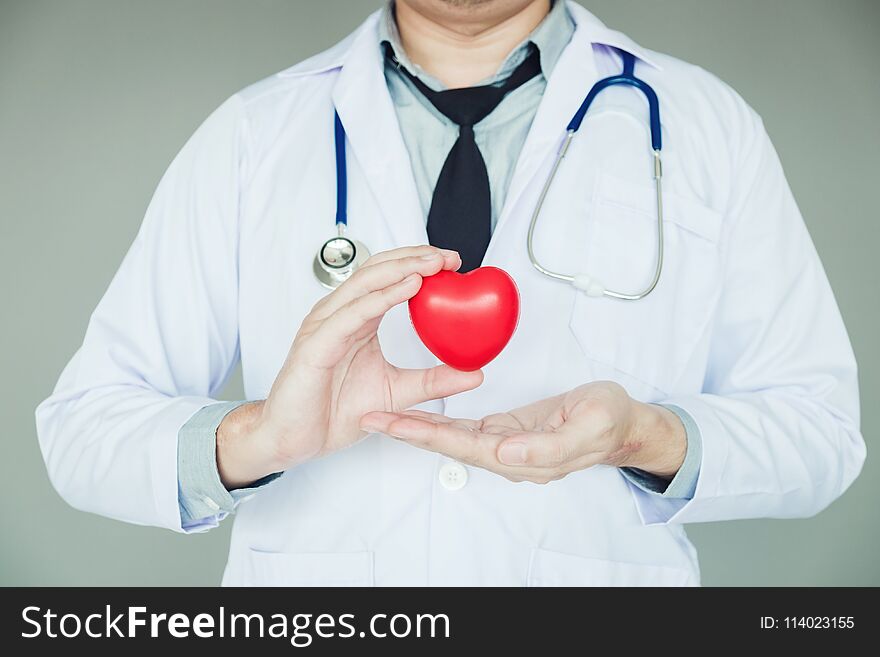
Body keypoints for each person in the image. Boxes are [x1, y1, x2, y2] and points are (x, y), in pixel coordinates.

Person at [36, 0, 865, 586]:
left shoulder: (706, 125)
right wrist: (258, 437)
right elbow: (82, 430)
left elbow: (820, 434)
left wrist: (646, 436)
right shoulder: (255, 132)